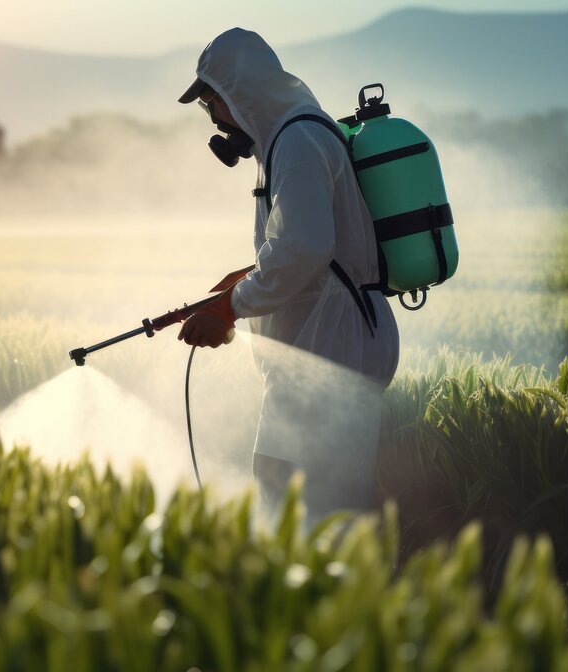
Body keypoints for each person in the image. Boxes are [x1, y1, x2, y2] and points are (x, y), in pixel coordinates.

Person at [176, 28, 400, 520]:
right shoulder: (286, 138)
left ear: (239, 93)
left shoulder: (297, 140)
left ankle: (325, 593)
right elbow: (307, 244)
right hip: (326, 351)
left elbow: (304, 249)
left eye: (213, 101)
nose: (213, 116)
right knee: (298, 495)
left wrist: (229, 308)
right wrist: (248, 275)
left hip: (331, 353)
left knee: (303, 503)